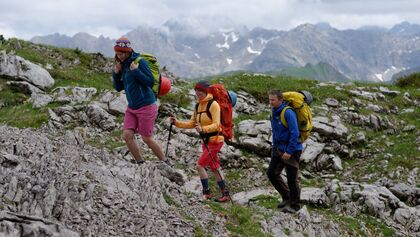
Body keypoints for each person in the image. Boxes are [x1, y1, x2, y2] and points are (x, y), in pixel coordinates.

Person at [169, 81, 231, 202]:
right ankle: (225, 194)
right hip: (206, 142)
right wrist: (176, 123)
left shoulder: (214, 105)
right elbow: (192, 123)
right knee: (214, 167)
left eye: (200, 91)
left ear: (206, 92)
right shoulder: (198, 106)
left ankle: (206, 193)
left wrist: (203, 129)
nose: (197, 93)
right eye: (196, 90)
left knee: (199, 166)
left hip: (216, 140)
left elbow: (217, 125)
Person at [112, 37, 168, 165]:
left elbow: (150, 81)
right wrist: (116, 74)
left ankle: (165, 161)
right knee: (127, 136)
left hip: (146, 106)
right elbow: (118, 87)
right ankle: (140, 163)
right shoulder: (123, 65)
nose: (119, 56)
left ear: (127, 52)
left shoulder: (140, 62)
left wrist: (136, 71)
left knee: (147, 138)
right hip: (132, 108)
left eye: (121, 53)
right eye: (117, 53)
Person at [267, 89, 303, 213]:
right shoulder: (273, 112)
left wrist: (289, 151)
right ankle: (287, 196)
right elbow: (276, 131)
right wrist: (274, 147)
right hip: (278, 149)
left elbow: (295, 133)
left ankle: (295, 205)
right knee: (271, 173)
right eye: (269, 99)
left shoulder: (288, 112)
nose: (270, 102)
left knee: (292, 179)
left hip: (292, 150)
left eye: (273, 100)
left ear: (281, 100)